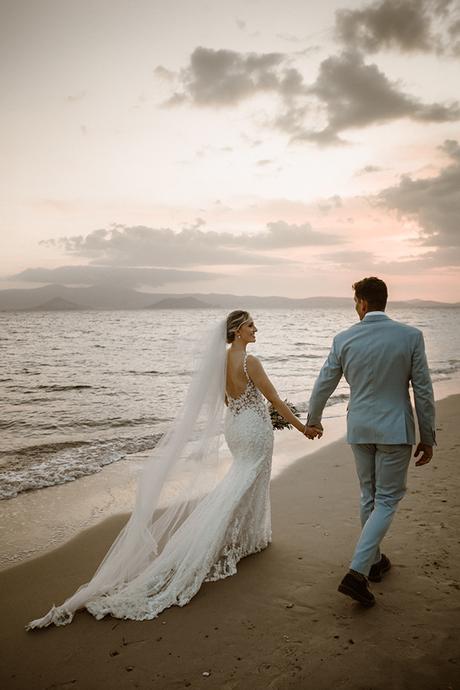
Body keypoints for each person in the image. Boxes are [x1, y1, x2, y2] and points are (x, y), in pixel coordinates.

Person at [27, 310, 320, 629]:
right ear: (237, 331)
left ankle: (244, 539)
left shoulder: (219, 362)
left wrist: (245, 412)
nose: (255, 329)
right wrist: (302, 427)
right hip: (253, 427)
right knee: (245, 482)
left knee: (241, 478)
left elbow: (224, 400)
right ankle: (222, 541)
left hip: (235, 426)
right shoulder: (252, 362)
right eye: (250, 325)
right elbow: (274, 400)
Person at [306, 277, 436, 607]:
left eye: (355, 302)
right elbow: (422, 390)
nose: (355, 307)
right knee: (388, 499)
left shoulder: (343, 339)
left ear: (362, 303)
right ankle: (357, 572)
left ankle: (375, 561)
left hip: (360, 428)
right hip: (395, 430)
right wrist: (428, 436)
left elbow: (324, 383)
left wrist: (314, 418)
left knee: (370, 495)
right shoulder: (410, 336)